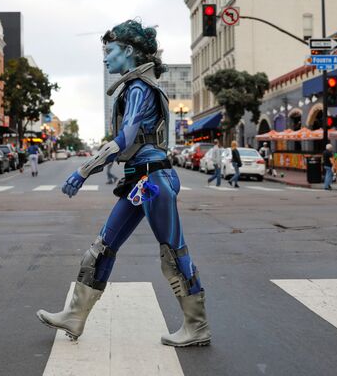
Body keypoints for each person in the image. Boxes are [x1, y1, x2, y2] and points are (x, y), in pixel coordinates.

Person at [36, 20, 210, 347]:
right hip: (141, 181)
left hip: (154, 179)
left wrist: (83, 170)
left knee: (173, 253)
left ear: (128, 52)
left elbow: (125, 138)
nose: (106, 59)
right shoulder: (135, 87)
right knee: (103, 246)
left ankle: (197, 326)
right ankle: (75, 316)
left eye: (110, 51)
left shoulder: (139, 89)